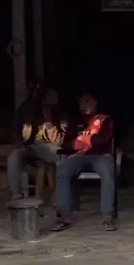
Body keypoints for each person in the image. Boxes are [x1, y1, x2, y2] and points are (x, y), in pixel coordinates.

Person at [52, 94, 117, 232]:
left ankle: (107, 216)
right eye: (81, 102)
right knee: (63, 171)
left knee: (107, 172)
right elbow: (67, 142)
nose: (85, 105)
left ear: (95, 102)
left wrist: (82, 140)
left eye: (88, 101)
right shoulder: (75, 122)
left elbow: (102, 139)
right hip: (80, 156)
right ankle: (64, 216)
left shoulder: (104, 119)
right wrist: (87, 141)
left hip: (101, 156)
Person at [7, 83, 66, 201]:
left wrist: (49, 121)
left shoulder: (60, 113)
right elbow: (14, 126)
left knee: (62, 157)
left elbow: (59, 141)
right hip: (29, 145)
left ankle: (61, 194)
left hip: (49, 146)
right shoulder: (27, 109)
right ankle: (17, 195)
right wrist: (18, 141)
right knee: (13, 157)